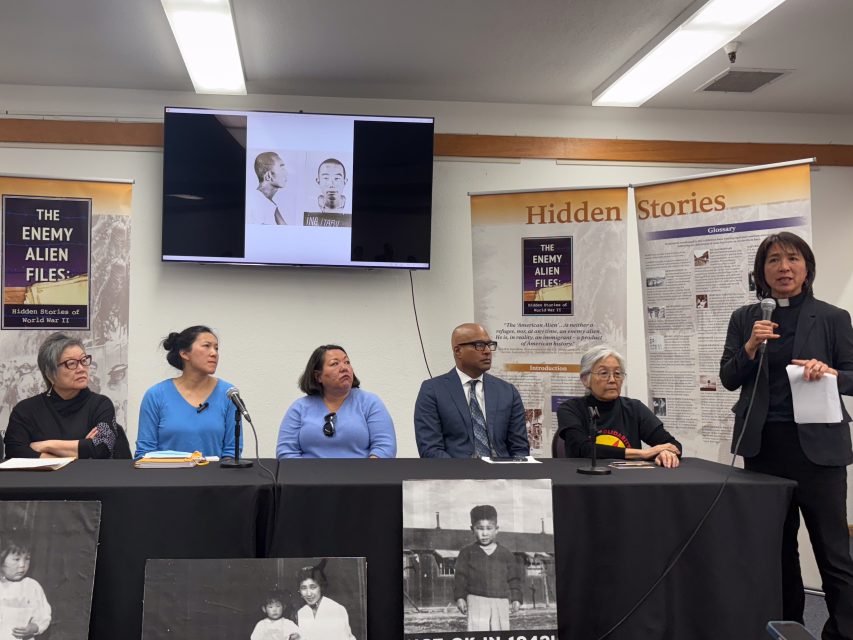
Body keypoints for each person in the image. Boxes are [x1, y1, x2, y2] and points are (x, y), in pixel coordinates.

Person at [719, 231, 853, 639]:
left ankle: (843, 632)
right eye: (773, 260)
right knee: (778, 552)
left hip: (819, 452)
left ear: (807, 268)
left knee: (834, 552)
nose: (784, 267)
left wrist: (830, 372)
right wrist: (750, 348)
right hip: (764, 448)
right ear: (762, 272)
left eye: (792, 259)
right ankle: (786, 627)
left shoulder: (832, 317)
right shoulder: (746, 318)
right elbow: (728, 377)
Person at [2, 332, 130, 459]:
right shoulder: (26, 410)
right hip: (42, 480)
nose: (81, 368)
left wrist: (46, 445)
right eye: (71, 363)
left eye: (83, 360)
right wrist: (82, 450)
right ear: (49, 372)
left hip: (90, 479)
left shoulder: (101, 404)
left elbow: (103, 447)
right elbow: (14, 452)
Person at [414, 323, 529, 458]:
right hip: (455, 475)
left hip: (502, 475)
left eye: (489, 345)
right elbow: (430, 449)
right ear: (458, 351)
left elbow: (520, 448)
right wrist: (466, 475)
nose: (487, 351)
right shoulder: (432, 391)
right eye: (479, 345)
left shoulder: (507, 391)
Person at [557, 346, 681, 467]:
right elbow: (583, 448)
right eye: (604, 373)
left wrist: (666, 452)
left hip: (627, 481)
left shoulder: (634, 408)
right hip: (585, 479)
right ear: (585, 379)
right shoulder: (570, 409)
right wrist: (643, 454)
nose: (612, 379)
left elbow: (672, 444)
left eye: (617, 373)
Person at [135, 326, 239, 459]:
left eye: (216, 348)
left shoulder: (229, 393)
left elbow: (232, 452)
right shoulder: (156, 395)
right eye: (206, 346)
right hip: (164, 477)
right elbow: (144, 453)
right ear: (184, 353)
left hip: (214, 478)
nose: (214, 353)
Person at [277, 345, 396, 458]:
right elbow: (286, 451)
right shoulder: (300, 408)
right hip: (309, 477)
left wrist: (364, 475)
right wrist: (308, 477)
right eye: (335, 363)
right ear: (318, 376)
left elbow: (385, 447)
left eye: (347, 362)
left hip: (361, 476)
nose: (344, 368)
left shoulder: (369, 402)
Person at [453, 504, 523, 632]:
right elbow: (460, 577)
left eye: (489, 528)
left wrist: (516, 598)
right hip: (476, 601)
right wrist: (460, 597)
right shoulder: (467, 553)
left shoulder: (506, 554)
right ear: (472, 529)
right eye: (480, 528)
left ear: (496, 529)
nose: (484, 533)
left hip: (500, 602)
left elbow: (514, 578)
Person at [0, 539, 51, 640]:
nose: (22, 565)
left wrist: (34, 627)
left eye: (27, 558)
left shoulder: (32, 587)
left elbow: (43, 615)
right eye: (16, 559)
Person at [296, 561, 356, 640]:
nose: (308, 593)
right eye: (303, 588)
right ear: (299, 590)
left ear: (321, 587)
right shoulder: (302, 612)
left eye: (313, 587)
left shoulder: (336, 609)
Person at [248, 151, 288, 225]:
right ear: (269, 176)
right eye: (282, 168)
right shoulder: (256, 203)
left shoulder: (268, 203)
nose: (286, 173)